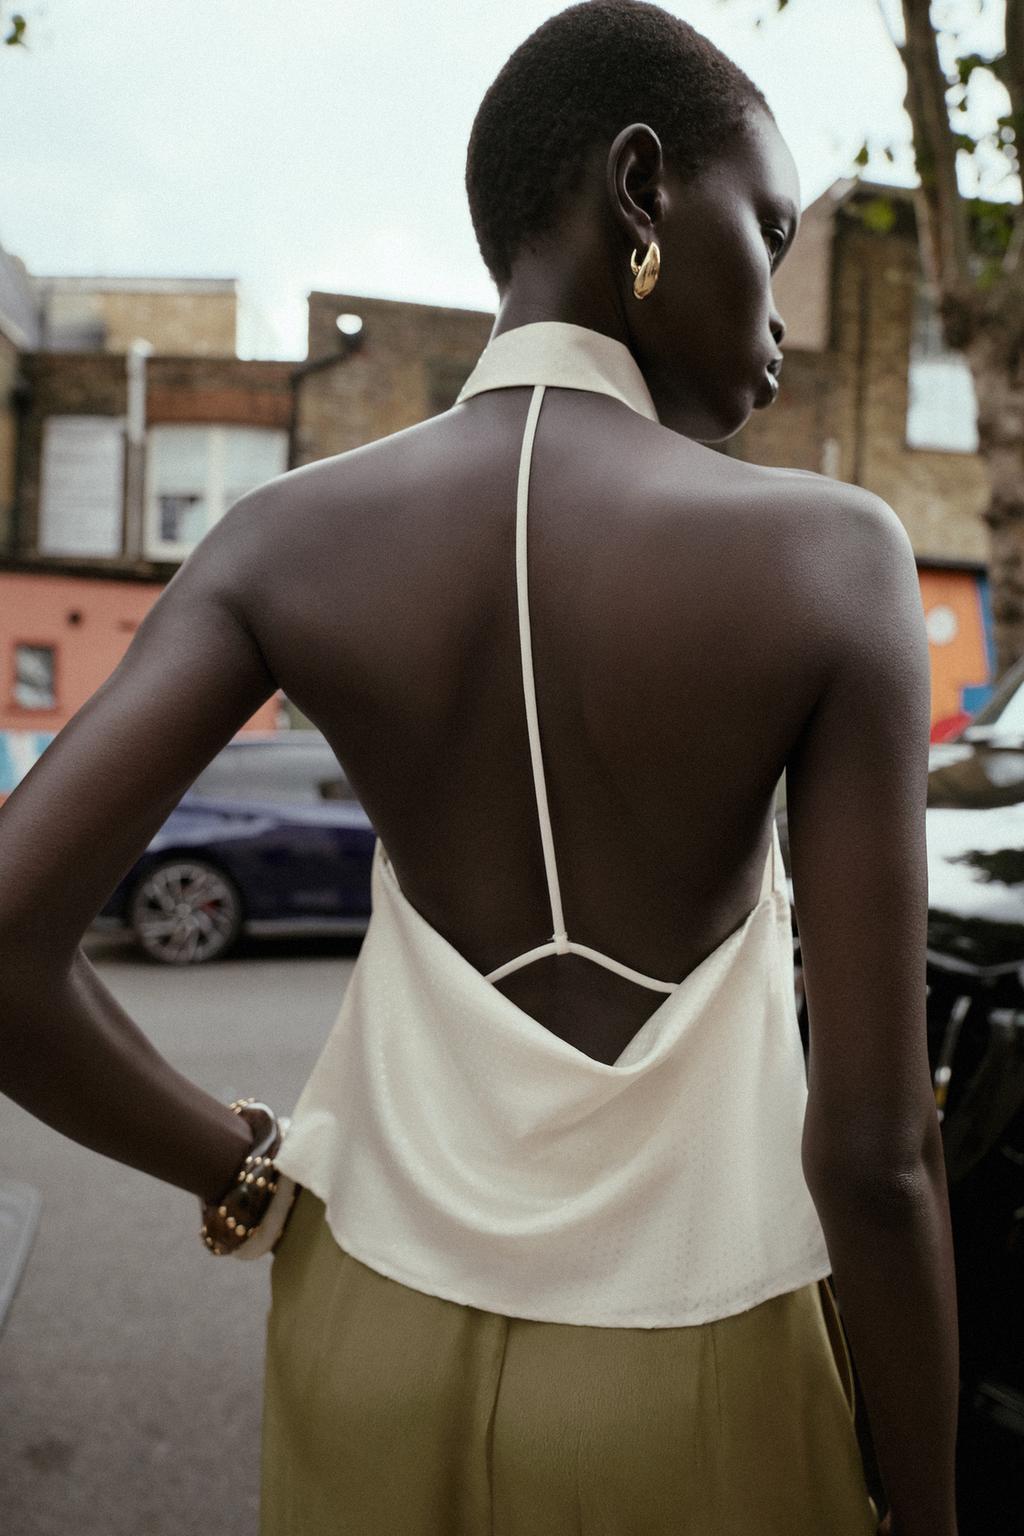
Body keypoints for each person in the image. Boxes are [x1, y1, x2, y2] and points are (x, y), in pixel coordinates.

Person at [0, 2, 959, 1533]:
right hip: (696, 1364)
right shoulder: (831, 558)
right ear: (643, 189)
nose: (782, 318)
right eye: (769, 232)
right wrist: (928, 1496)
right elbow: (875, 1156)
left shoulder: (279, 541)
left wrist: (238, 1171)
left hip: (360, 1332)